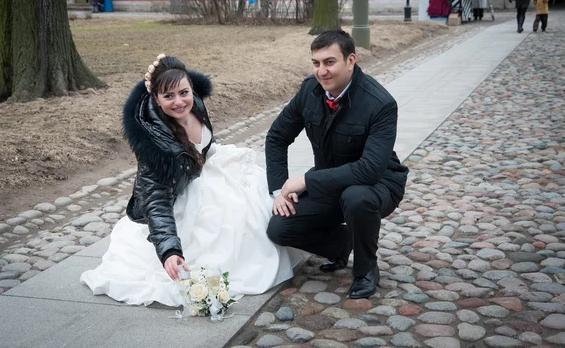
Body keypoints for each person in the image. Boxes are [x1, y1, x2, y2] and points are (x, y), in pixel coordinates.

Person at [80, 55, 305, 306]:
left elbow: (204, 142)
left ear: (191, 89)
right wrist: (170, 252)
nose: (179, 102)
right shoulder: (155, 146)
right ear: (155, 98)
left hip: (210, 169)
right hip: (184, 189)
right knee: (223, 222)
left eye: (183, 92)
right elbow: (156, 199)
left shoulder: (194, 101)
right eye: (168, 96)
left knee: (256, 203)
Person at [265, 30, 409, 299]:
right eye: (316, 63)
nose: (322, 71)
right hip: (329, 181)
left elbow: (369, 169)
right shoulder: (309, 91)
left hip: (378, 183)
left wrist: (306, 181)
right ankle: (342, 244)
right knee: (279, 228)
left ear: (351, 60)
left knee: (356, 197)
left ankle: (366, 269)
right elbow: (276, 137)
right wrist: (277, 191)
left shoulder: (381, 104)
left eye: (329, 62)